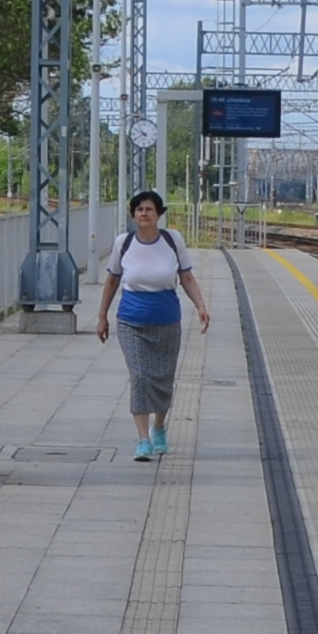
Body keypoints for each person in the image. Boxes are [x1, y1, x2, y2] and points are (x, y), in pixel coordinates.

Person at [103, 192, 208, 458]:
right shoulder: (123, 243)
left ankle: (159, 427)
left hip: (167, 320)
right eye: (139, 209)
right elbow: (113, 280)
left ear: (159, 214)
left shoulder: (172, 240)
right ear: (133, 214)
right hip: (131, 321)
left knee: (163, 377)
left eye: (149, 209)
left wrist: (200, 306)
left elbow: (186, 277)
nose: (144, 213)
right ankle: (143, 439)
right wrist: (102, 316)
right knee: (140, 376)